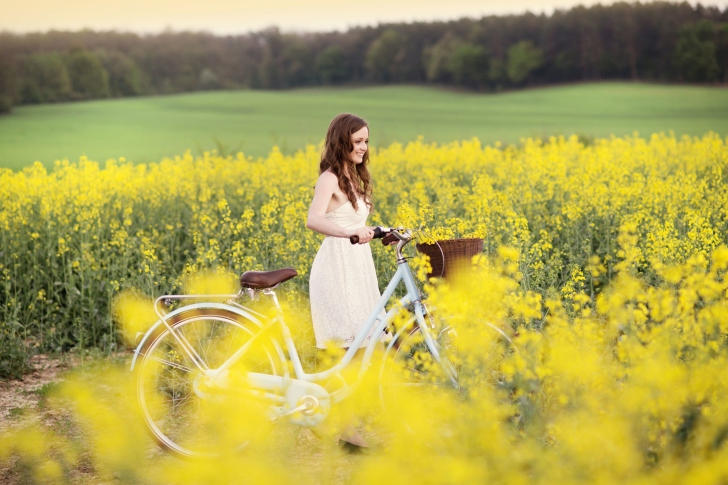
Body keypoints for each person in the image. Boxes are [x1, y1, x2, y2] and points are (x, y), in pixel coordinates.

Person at [306, 113, 382, 450]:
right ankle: (344, 430)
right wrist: (351, 231)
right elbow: (314, 220)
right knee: (346, 352)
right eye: (359, 141)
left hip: (358, 267)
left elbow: (355, 223)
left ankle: (335, 421)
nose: (364, 147)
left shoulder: (354, 177)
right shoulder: (330, 178)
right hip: (336, 269)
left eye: (366, 140)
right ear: (342, 141)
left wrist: (382, 233)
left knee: (365, 349)